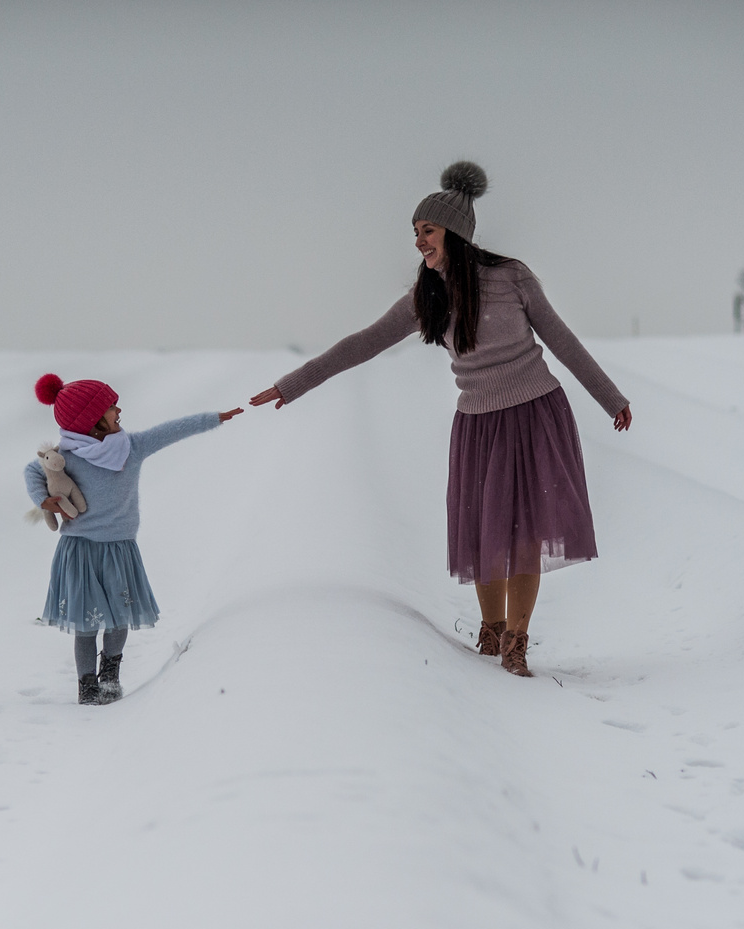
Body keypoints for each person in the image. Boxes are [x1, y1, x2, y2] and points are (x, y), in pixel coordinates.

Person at [250, 161, 631, 678]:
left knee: (524, 536)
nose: (418, 241)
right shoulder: (424, 297)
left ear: (455, 231)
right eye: (415, 232)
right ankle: (490, 634)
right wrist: (293, 385)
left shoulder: (511, 277)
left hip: (536, 413)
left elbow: (562, 341)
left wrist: (611, 398)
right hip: (479, 425)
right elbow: (362, 344)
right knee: (487, 532)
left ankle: (517, 641)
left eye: (426, 230)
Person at [26, 374, 242, 704]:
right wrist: (43, 499)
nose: (119, 410)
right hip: (79, 549)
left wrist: (213, 419)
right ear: (91, 419)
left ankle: (110, 674)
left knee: (118, 616)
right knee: (86, 625)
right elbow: (32, 471)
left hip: (119, 548)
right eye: (111, 406)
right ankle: (87, 685)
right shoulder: (62, 457)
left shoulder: (131, 447)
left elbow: (172, 431)